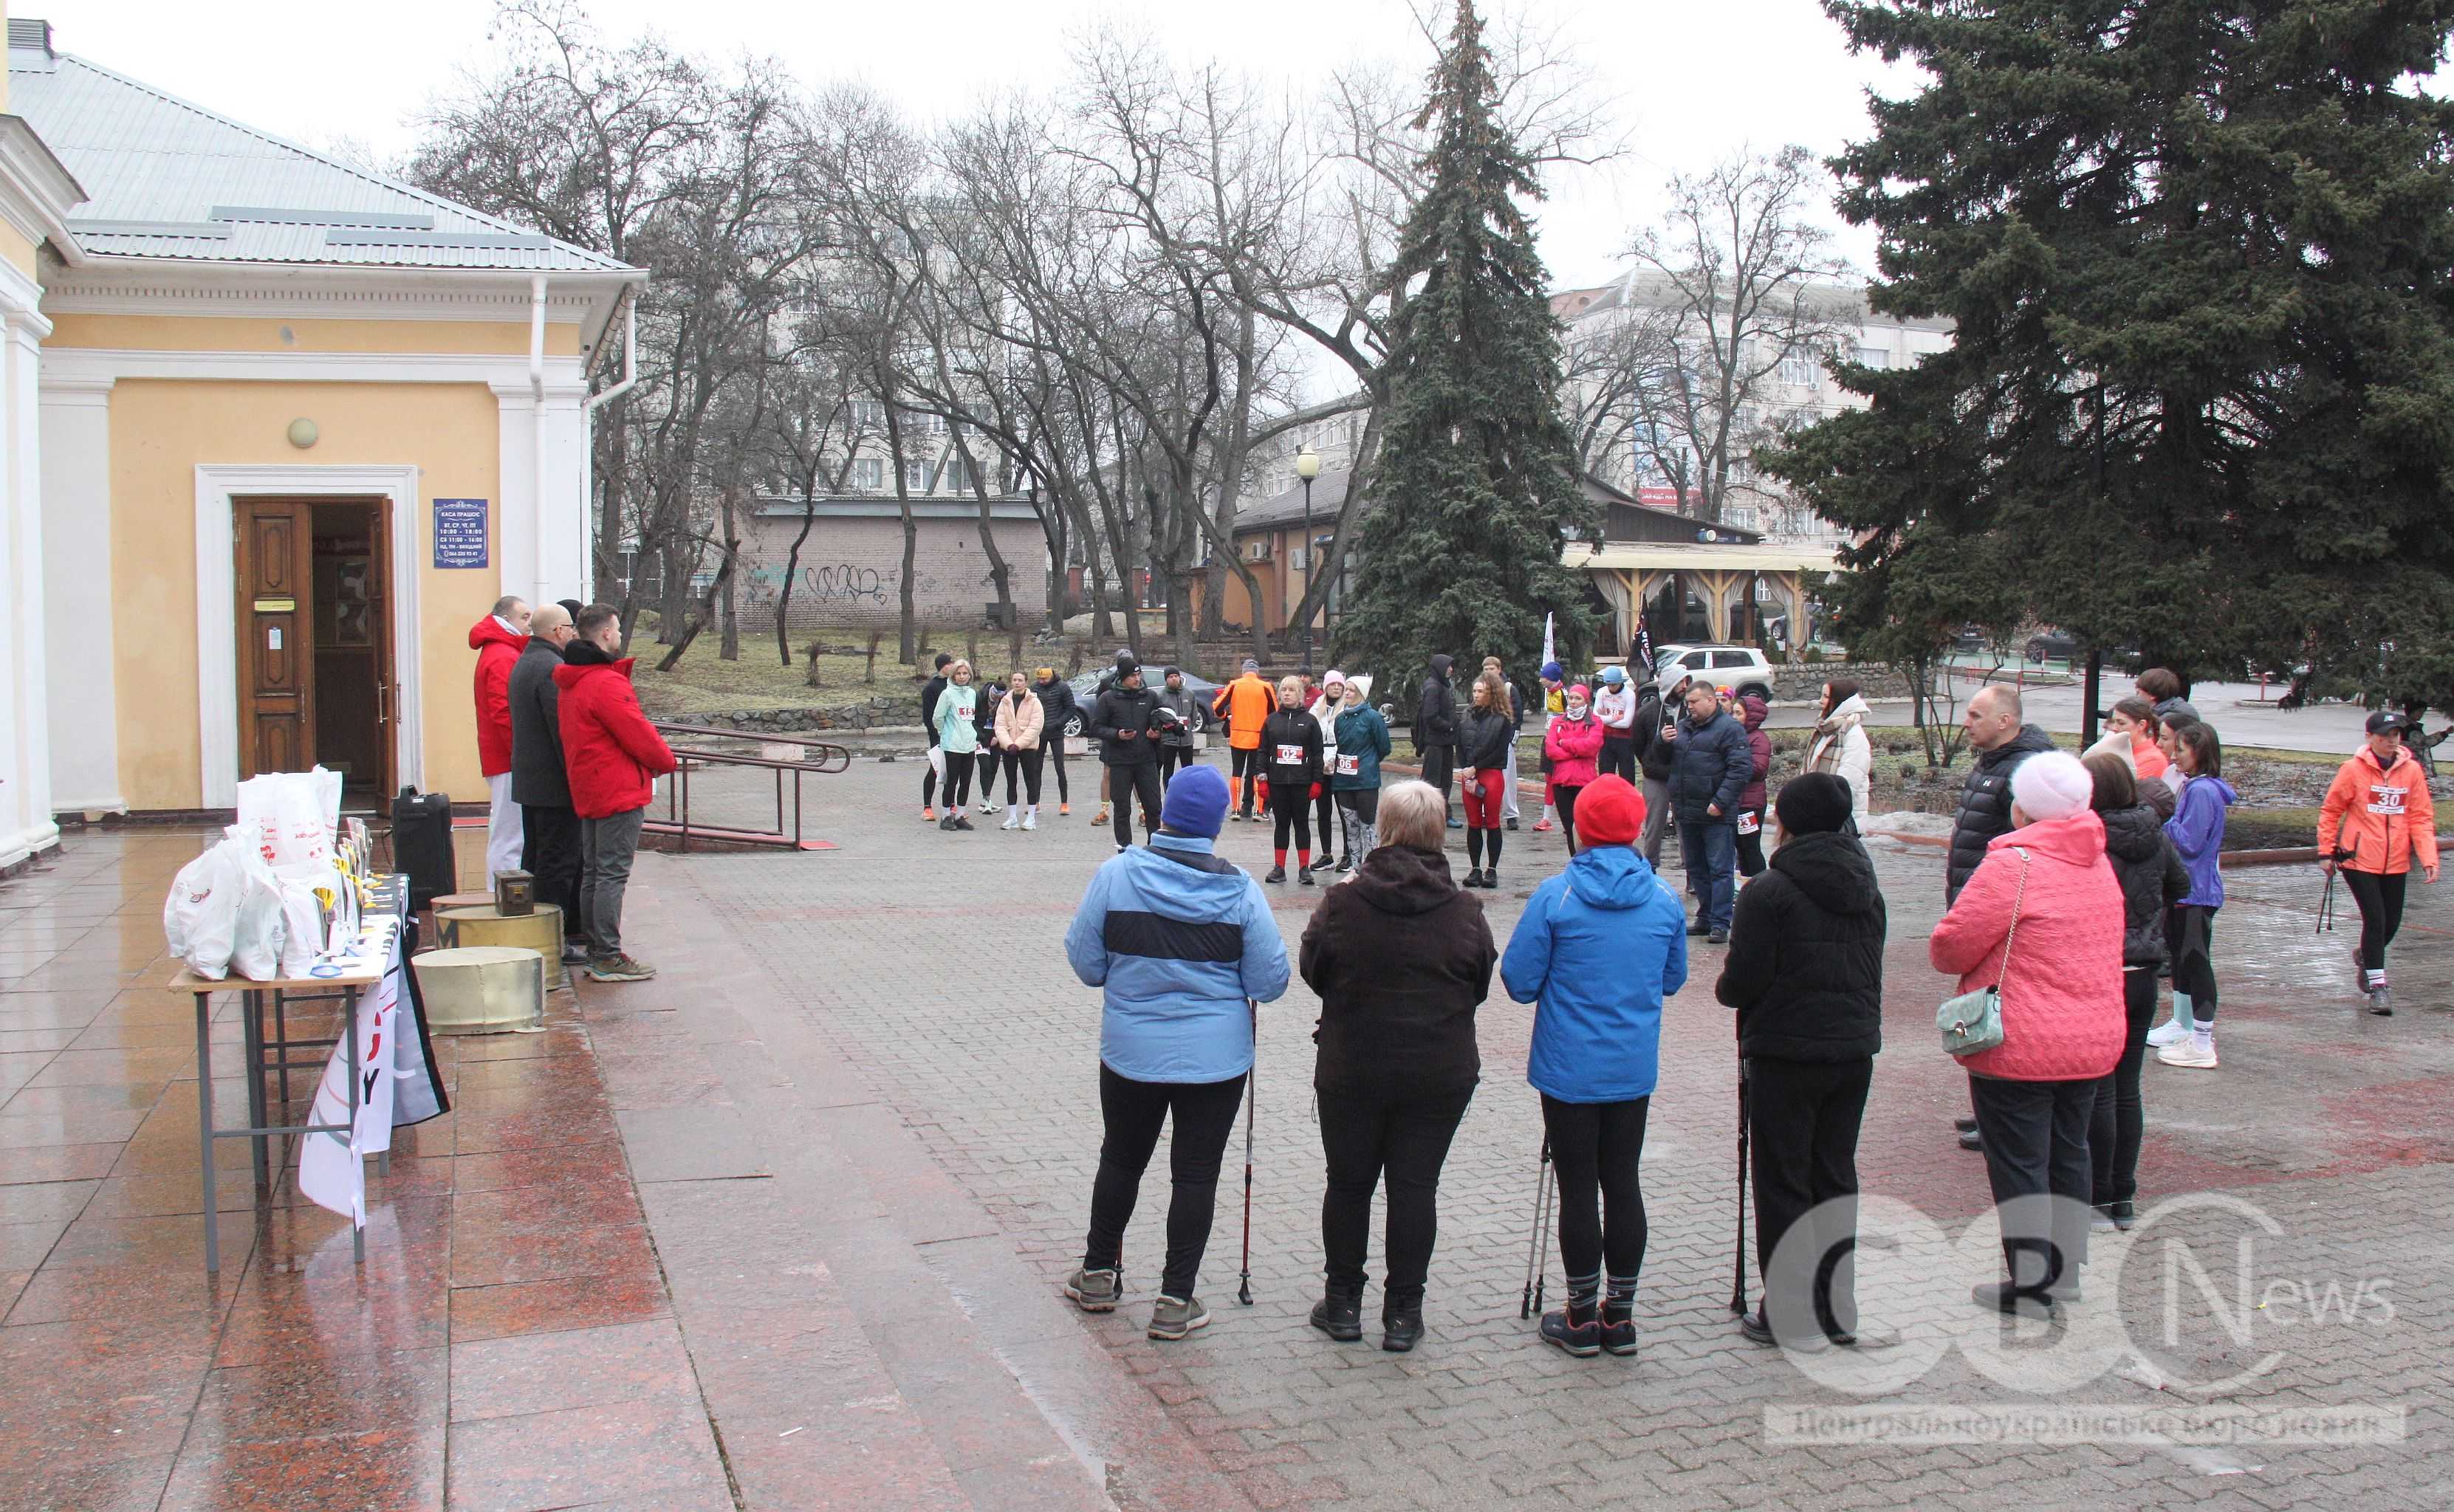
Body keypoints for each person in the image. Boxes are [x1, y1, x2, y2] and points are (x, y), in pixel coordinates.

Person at [1062, 765, 1290, 1341]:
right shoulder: (1240, 889)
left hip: (1131, 1052)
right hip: (1216, 1062)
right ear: (1215, 824)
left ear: (1163, 813)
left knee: (1120, 1159)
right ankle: (1174, 1299)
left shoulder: (1115, 875)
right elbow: (1269, 982)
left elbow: (1088, 965)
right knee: (1195, 1175)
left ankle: (1097, 1274)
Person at [1300, 780, 1495, 1352]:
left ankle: (1341, 1303)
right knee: (1415, 1187)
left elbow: (1315, 970)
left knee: (1349, 1182)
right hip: (1438, 1068)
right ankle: (1403, 1312)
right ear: (1438, 832)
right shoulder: (1464, 909)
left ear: (1383, 829)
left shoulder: (1342, 901)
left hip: (1352, 1062)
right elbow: (1479, 983)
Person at [1928, 751, 2125, 1316]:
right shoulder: (2096, 861)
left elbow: (1950, 947)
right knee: (2070, 1151)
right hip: (2091, 1038)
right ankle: (2063, 1273)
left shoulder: (2013, 865)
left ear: (2023, 809)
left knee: (2019, 1161)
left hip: (2021, 1041)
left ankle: (2032, 1287)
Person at [1501, 775, 1687, 1358]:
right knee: (1622, 1181)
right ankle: (1621, 1317)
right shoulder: (1663, 898)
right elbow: (1672, 979)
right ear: (1635, 828)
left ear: (1578, 828)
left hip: (1567, 1067)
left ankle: (1580, 1317)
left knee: (1577, 1186)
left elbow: (1519, 982)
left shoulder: (1556, 896)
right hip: (1630, 1066)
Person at [1715, 772, 1884, 1348]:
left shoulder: (1769, 890)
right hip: (1852, 1049)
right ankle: (1837, 1306)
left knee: (1783, 1178)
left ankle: (1788, 1309)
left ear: (1785, 821)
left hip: (1785, 1051)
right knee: (1834, 1173)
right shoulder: (1867, 886)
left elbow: (1742, 982)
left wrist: (1727, 986)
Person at [2083, 752, 2187, 1234]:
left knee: (2098, 1089)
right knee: (2127, 1089)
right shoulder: (2154, 834)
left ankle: (2097, 1195)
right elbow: (2179, 884)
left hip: (2100, 971)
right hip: (2142, 973)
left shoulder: (2091, 838)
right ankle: (2122, 1195)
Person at [553, 604, 678, 983]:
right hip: (617, 789)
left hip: (591, 786)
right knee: (610, 874)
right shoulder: (604, 683)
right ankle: (607, 954)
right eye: (618, 629)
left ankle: (596, 949)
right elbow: (638, 733)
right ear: (605, 633)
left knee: (594, 872)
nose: (621, 636)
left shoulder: (574, 680)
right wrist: (665, 761)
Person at [2319, 711, 2442, 1016]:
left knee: (2392, 923)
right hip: (2358, 859)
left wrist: (2428, 857)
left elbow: (2421, 816)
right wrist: (2326, 851)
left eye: (2395, 735)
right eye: (2384, 736)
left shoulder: (2411, 771)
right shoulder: (2352, 770)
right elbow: (2331, 810)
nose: (2390, 741)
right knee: (2375, 920)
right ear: (2369, 738)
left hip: (2397, 861)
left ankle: (2366, 954)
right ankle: (2378, 987)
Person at [507, 604, 585, 963]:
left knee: (537, 859)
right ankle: (555, 938)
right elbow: (562, 730)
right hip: (555, 787)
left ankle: (536, 931)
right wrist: (579, 777)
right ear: (557, 631)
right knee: (557, 863)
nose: (573, 634)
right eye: (571, 628)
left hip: (533, 783)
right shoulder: (551, 667)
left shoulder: (527, 661)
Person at [2155, 724, 2235, 1069]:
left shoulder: (2202, 792)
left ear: (2200, 751)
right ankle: (2185, 1027)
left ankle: (2202, 1040)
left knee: (2196, 961)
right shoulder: (2196, 787)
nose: (2175, 756)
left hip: (2196, 892)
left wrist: (2164, 818)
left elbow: (2189, 841)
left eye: (2182, 750)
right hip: (2187, 890)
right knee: (2184, 961)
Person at [1662, 678, 1752, 944]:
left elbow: (1740, 770)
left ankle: (1721, 922)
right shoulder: (1683, 728)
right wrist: (1661, 743)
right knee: (1696, 867)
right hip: (1686, 809)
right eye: (1687, 702)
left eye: (1694, 702)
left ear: (1711, 701)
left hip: (1716, 813)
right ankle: (1705, 916)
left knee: (1719, 868)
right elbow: (1666, 764)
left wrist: (1720, 802)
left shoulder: (1730, 730)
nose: (1689, 707)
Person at [468, 595, 532, 882]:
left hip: (503, 756)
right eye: (525, 617)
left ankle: (502, 890)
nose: (529, 624)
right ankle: (503, 893)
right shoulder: (502, 656)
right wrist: (521, 755)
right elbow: (504, 712)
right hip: (507, 758)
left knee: (507, 830)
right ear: (507, 620)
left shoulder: (499, 652)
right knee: (509, 834)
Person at [1091, 658, 1166, 852]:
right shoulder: (1108, 698)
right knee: (1122, 808)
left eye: (1138, 674)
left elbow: (1162, 720)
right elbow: (1097, 727)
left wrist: (1156, 732)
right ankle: (1125, 849)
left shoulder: (1150, 697)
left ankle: (1155, 848)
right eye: (1133, 675)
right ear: (1123, 677)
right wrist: (1116, 734)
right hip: (1120, 761)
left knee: (1153, 807)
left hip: (1146, 760)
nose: (1137, 678)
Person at [1260, 676, 1325, 884]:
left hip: (1302, 782)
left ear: (1300, 695)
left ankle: (1304, 869)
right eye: (1284, 690)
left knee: (1301, 824)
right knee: (1281, 824)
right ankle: (1279, 868)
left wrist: (1317, 781)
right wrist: (1261, 778)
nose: (1287, 693)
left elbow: (1317, 753)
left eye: (1292, 690)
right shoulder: (1271, 721)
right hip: (1277, 782)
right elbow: (1262, 751)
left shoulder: (1310, 721)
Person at [1456, 671, 1516, 890]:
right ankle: (1475, 868)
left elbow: (1500, 752)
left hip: (1490, 773)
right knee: (1473, 824)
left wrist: (1476, 767)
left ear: (1491, 693)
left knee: (1492, 823)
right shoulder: (1466, 715)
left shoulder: (1502, 720)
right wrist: (1466, 768)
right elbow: (1460, 744)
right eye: (1474, 691)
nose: (1476, 695)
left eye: (1481, 691)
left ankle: (1492, 869)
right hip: (1469, 775)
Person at [1330, 676, 1391, 875]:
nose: (1346, 693)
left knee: (1367, 825)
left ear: (1361, 694)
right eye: (1346, 690)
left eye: (1351, 690)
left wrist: (1368, 761)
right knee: (1351, 825)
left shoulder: (1373, 717)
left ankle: (1372, 865)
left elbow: (1384, 747)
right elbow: (1341, 744)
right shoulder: (1340, 719)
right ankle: (1355, 866)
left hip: (1366, 780)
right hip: (1343, 781)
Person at [1542, 684, 1605, 854]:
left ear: (1586, 701)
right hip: (1561, 782)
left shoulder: (1595, 722)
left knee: (1585, 827)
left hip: (1585, 782)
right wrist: (1575, 753)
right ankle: (1575, 861)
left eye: (1578, 698)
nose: (1574, 702)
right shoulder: (1558, 721)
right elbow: (1551, 749)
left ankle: (1590, 862)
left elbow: (1591, 746)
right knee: (1569, 828)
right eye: (1571, 698)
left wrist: (1566, 743)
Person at [1803, 679, 1874, 829]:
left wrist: (1825, 810)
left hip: (1841, 821)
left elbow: (1847, 785)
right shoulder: (1825, 730)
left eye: (1826, 697)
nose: (1821, 702)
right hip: (1818, 815)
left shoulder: (1854, 736)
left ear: (1841, 702)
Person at [1213, 658, 1273, 821]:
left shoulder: (1234, 685)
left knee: (1237, 772)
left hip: (1238, 735)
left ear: (1243, 671)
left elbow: (1217, 707)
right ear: (1257, 672)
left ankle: (1236, 810)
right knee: (1256, 772)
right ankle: (1258, 810)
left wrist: (1225, 716)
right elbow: (1274, 712)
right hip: (1259, 736)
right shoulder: (1266, 687)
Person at [1636, 672, 1682, 870]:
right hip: (1655, 776)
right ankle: (1650, 867)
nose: (1684, 687)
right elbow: (1637, 744)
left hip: (1683, 776)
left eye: (1687, 682)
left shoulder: (1690, 709)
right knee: (1654, 824)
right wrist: (1649, 763)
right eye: (1680, 683)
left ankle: (1692, 874)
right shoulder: (1647, 713)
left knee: (1685, 825)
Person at [993, 670, 1046, 831]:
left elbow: (1036, 726)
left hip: (1028, 748)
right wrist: (1009, 744)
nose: (1017, 683)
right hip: (1008, 748)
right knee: (1011, 782)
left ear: (1026, 682)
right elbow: (1000, 725)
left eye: (1020, 680)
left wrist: (1019, 744)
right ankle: (1012, 817)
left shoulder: (1034, 702)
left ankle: (1031, 818)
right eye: (1014, 680)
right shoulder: (1005, 701)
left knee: (1031, 781)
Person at [932, 660, 980, 831]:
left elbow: (973, 718)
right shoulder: (947, 694)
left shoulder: (972, 694)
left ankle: (960, 815)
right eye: (958, 674)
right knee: (951, 782)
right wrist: (945, 733)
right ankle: (946, 816)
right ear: (953, 676)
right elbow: (937, 718)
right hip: (952, 745)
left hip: (969, 745)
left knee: (966, 782)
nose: (962, 677)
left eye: (965, 674)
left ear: (969, 676)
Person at [1416, 655, 1463, 827]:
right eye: (1448, 666)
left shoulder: (1442, 685)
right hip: (1435, 742)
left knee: (1445, 780)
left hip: (1445, 742)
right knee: (1431, 781)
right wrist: (1448, 727)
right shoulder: (1433, 687)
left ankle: (1444, 814)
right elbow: (1430, 715)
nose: (1451, 669)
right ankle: (1425, 816)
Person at [1309, 673, 1348, 868]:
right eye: (1332, 684)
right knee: (1323, 812)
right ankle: (1327, 854)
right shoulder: (1317, 708)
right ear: (1325, 686)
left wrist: (1335, 758)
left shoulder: (1347, 708)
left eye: (1339, 684)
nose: (1336, 688)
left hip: (1340, 765)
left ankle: (1348, 854)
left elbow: (1349, 737)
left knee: (1345, 812)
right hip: (1320, 765)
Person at [1733, 694, 1773, 881]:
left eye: (1739, 713)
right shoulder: (1737, 735)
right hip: (1737, 801)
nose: (1734, 717)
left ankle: (1759, 882)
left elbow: (1758, 769)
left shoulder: (1758, 739)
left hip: (1750, 804)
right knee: (1741, 847)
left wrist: (1734, 762)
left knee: (1750, 846)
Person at [1482, 656, 1524, 829]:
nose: (1489, 672)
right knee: (1485, 778)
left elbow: (1517, 716)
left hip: (1504, 740)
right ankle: (1486, 814)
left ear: (1499, 669)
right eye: (1486, 670)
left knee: (1507, 779)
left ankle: (1511, 815)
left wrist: (1512, 740)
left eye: (1492, 669)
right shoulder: (1481, 689)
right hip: (1486, 741)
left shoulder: (1509, 689)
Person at [2084, 695, 2168, 782]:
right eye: (2113, 722)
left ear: (2141, 725)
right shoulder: (2115, 749)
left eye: (2121, 723)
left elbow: (2125, 790)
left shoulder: (2153, 760)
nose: (2114, 728)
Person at [1034, 666, 1078, 815]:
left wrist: (1059, 723)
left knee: (1060, 767)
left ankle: (1064, 803)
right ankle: (1035, 802)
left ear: (1051, 677)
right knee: (1036, 768)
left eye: (1044, 679)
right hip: (1039, 733)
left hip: (1056, 732)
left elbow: (1071, 708)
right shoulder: (1035, 688)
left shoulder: (1063, 687)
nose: (1041, 681)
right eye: (1039, 679)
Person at [919, 652, 954, 822]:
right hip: (939, 736)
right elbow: (928, 716)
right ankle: (927, 807)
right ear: (943, 666)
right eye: (950, 663)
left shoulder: (954, 685)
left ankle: (951, 805)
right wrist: (935, 735)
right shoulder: (932, 687)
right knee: (935, 770)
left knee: (954, 771)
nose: (953, 666)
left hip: (956, 734)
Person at [1155, 668, 1202, 786]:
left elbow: (1194, 714)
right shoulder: (1161, 696)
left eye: (1176, 676)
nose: (1174, 679)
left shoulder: (1189, 694)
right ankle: (1169, 793)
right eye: (1171, 677)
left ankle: (1187, 793)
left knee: (1188, 770)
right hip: (1169, 740)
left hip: (1186, 740)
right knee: (1168, 769)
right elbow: (1158, 717)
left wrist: (1188, 728)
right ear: (1166, 679)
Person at [1535, 662, 1566, 832]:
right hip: (1548, 739)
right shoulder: (1548, 692)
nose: (1540, 680)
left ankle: (1569, 819)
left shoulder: (1564, 694)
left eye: (1543, 677)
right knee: (1549, 780)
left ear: (1552, 678)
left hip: (1562, 743)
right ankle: (1546, 818)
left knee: (1563, 782)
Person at [1594, 665, 1639, 784]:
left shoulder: (1629, 695)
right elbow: (1596, 719)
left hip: (1625, 740)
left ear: (1620, 682)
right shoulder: (1602, 692)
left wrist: (1606, 719)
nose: (1610, 688)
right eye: (1608, 685)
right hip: (1606, 738)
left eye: (1613, 685)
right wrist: (1615, 718)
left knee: (1627, 775)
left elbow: (1626, 723)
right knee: (1605, 775)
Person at [972, 674, 1006, 814]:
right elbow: (971, 720)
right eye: (995, 696)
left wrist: (998, 736)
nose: (997, 699)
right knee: (985, 767)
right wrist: (983, 738)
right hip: (981, 737)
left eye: (1000, 697)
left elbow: (1006, 719)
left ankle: (986, 799)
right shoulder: (979, 697)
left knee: (993, 768)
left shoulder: (1005, 700)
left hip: (996, 737)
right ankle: (986, 800)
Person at [2134, 667, 2199, 728]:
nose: (2136, 697)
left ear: (2152, 695)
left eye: (2138, 693)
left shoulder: (2168, 721)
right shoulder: (2177, 708)